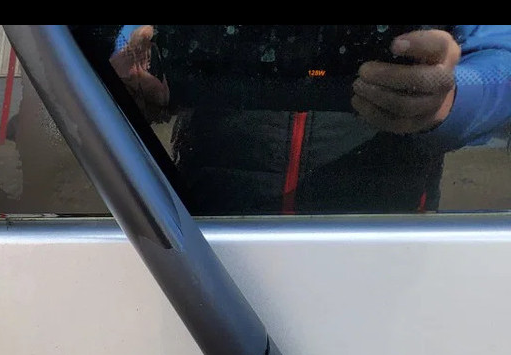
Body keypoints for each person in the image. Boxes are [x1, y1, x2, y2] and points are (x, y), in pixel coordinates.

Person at [110, 25, 511, 215]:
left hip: (389, 235)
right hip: (203, 238)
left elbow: (502, 54)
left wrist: (451, 96)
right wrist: (130, 57)